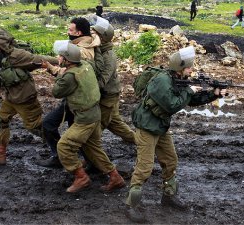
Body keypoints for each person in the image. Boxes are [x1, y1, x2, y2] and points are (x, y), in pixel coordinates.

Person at [124, 46, 227, 223]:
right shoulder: (162, 81)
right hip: (147, 126)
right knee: (144, 167)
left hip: (161, 125)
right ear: (179, 67)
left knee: (171, 160)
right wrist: (190, 90)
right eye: (188, 67)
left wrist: (212, 94)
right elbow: (172, 104)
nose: (191, 70)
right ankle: (131, 205)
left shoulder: (178, 78)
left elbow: (190, 100)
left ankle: (168, 196)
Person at [42, 40, 125, 193]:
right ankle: (115, 177)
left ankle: (81, 176)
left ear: (66, 60)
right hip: (95, 114)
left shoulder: (69, 77)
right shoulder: (86, 66)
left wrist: (58, 73)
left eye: (60, 56)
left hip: (84, 119)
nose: (58, 58)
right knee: (92, 148)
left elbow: (57, 92)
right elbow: (70, 72)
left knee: (64, 146)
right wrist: (52, 68)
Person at [0, 26, 58, 165]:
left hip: (25, 99)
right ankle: (0, 154)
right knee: (0, 121)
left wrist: (61, 61)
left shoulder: (16, 55)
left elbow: (39, 59)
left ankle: (65, 148)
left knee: (36, 127)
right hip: (10, 98)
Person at [38, 17, 102, 167]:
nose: (67, 32)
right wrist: (51, 66)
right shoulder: (81, 46)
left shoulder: (82, 52)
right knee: (70, 133)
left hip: (79, 99)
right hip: (76, 98)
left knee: (53, 125)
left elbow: (69, 76)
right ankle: (76, 160)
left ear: (78, 32)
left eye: (70, 30)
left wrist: (53, 68)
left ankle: (72, 162)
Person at [91, 16, 135, 143]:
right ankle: (137, 140)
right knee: (114, 122)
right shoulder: (99, 49)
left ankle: (91, 151)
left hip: (108, 96)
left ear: (103, 38)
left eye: (95, 33)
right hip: (108, 94)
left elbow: (103, 80)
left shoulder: (108, 56)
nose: (92, 34)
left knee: (97, 127)